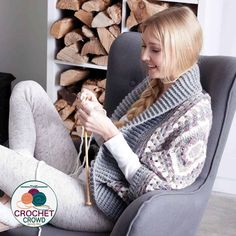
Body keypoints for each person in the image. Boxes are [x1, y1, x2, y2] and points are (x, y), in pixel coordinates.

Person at [0, 6, 212, 233]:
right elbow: (108, 146)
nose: (143, 56)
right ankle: (18, 188)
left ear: (180, 50)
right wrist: (96, 115)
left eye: (155, 50)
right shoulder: (155, 85)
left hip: (100, 204)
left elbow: (156, 192)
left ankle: (16, 194)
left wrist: (110, 133)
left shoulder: (195, 115)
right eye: (143, 46)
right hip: (86, 171)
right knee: (27, 90)